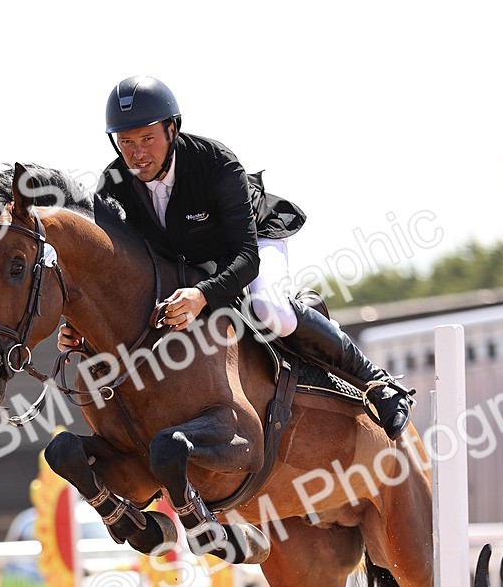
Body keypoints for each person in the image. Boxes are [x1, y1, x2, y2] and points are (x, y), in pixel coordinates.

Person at [59, 75, 413, 440]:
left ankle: (380, 384)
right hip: (187, 262)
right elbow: (109, 272)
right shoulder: (114, 184)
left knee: (270, 309)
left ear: (172, 129)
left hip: (250, 242)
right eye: (126, 142)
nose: (137, 154)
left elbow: (245, 257)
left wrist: (202, 296)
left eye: (147, 139)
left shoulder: (214, 163)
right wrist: (78, 326)